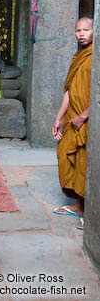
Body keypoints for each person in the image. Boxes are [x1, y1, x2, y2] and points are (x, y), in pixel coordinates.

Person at [52, 17, 93, 230]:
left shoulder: (94, 56)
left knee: (85, 164)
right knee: (66, 156)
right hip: (72, 118)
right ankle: (78, 205)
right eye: (78, 30)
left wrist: (84, 116)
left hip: (88, 118)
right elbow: (69, 90)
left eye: (86, 29)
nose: (81, 34)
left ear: (94, 31)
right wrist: (59, 117)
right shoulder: (78, 57)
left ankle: (91, 213)